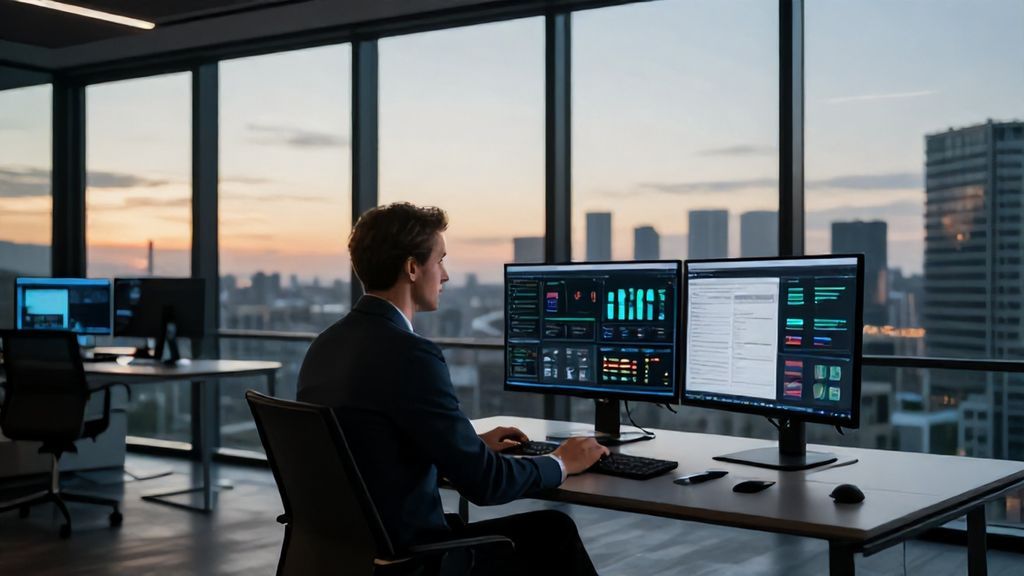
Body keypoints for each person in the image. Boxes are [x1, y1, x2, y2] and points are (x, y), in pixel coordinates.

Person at [297, 202, 607, 575]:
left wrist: (467, 444)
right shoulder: (410, 354)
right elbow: (486, 485)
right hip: (411, 559)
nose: (445, 276)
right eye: (440, 260)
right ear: (412, 268)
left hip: (346, 555)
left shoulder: (326, 345)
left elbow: (373, 444)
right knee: (553, 531)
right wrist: (561, 462)